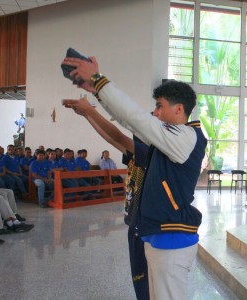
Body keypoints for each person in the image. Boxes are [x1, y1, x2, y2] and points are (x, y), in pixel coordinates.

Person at [62, 55, 207, 300]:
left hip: (170, 237)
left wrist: (98, 81)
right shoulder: (164, 142)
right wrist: (95, 101)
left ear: (178, 109)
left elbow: (136, 119)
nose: (156, 113)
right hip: (157, 234)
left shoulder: (186, 136)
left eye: (160, 106)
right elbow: (127, 124)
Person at [63, 97, 150, 299]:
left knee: (145, 281)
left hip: (143, 223)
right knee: (138, 279)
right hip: (134, 221)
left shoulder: (148, 151)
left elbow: (117, 137)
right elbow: (112, 139)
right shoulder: (139, 153)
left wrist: (90, 112)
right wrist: (87, 114)